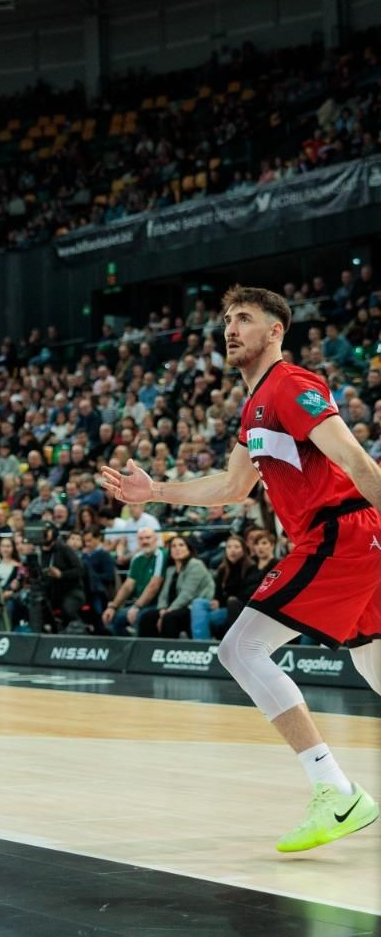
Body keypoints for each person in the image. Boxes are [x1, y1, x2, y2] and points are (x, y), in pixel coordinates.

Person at [101, 285, 381, 852]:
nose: (231, 328)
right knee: (372, 657)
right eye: (228, 319)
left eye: (245, 318)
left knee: (240, 649)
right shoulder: (253, 408)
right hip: (346, 540)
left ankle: (336, 790)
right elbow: (231, 487)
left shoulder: (292, 385)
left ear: (276, 331)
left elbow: (354, 458)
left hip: (343, 533)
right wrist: (155, 490)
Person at [141, 534, 214, 638]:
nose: (177, 549)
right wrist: (162, 609)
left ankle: (167, 651)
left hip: (193, 608)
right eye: (173, 546)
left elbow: (187, 595)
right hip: (173, 608)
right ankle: (149, 651)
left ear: (188, 548)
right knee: (147, 617)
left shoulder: (196, 565)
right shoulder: (170, 570)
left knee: (170, 618)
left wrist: (168, 611)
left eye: (181, 545)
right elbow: (163, 594)